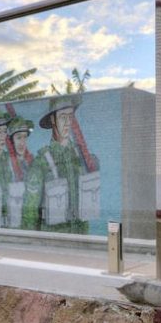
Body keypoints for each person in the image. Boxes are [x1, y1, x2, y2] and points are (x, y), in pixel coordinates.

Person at [22, 95, 98, 234]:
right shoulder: (41, 162)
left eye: (70, 116)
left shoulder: (82, 158)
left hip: (80, 237)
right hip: (53, 239)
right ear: (53, 119)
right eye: (63, 117)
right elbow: (29, 213)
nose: (68, 122)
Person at [5, 116, 34, 229]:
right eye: (18, 138)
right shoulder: (6, 165)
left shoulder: (32, 163)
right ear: (12, 140)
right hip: (12, 223)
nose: (22, 142)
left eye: (24, 137)